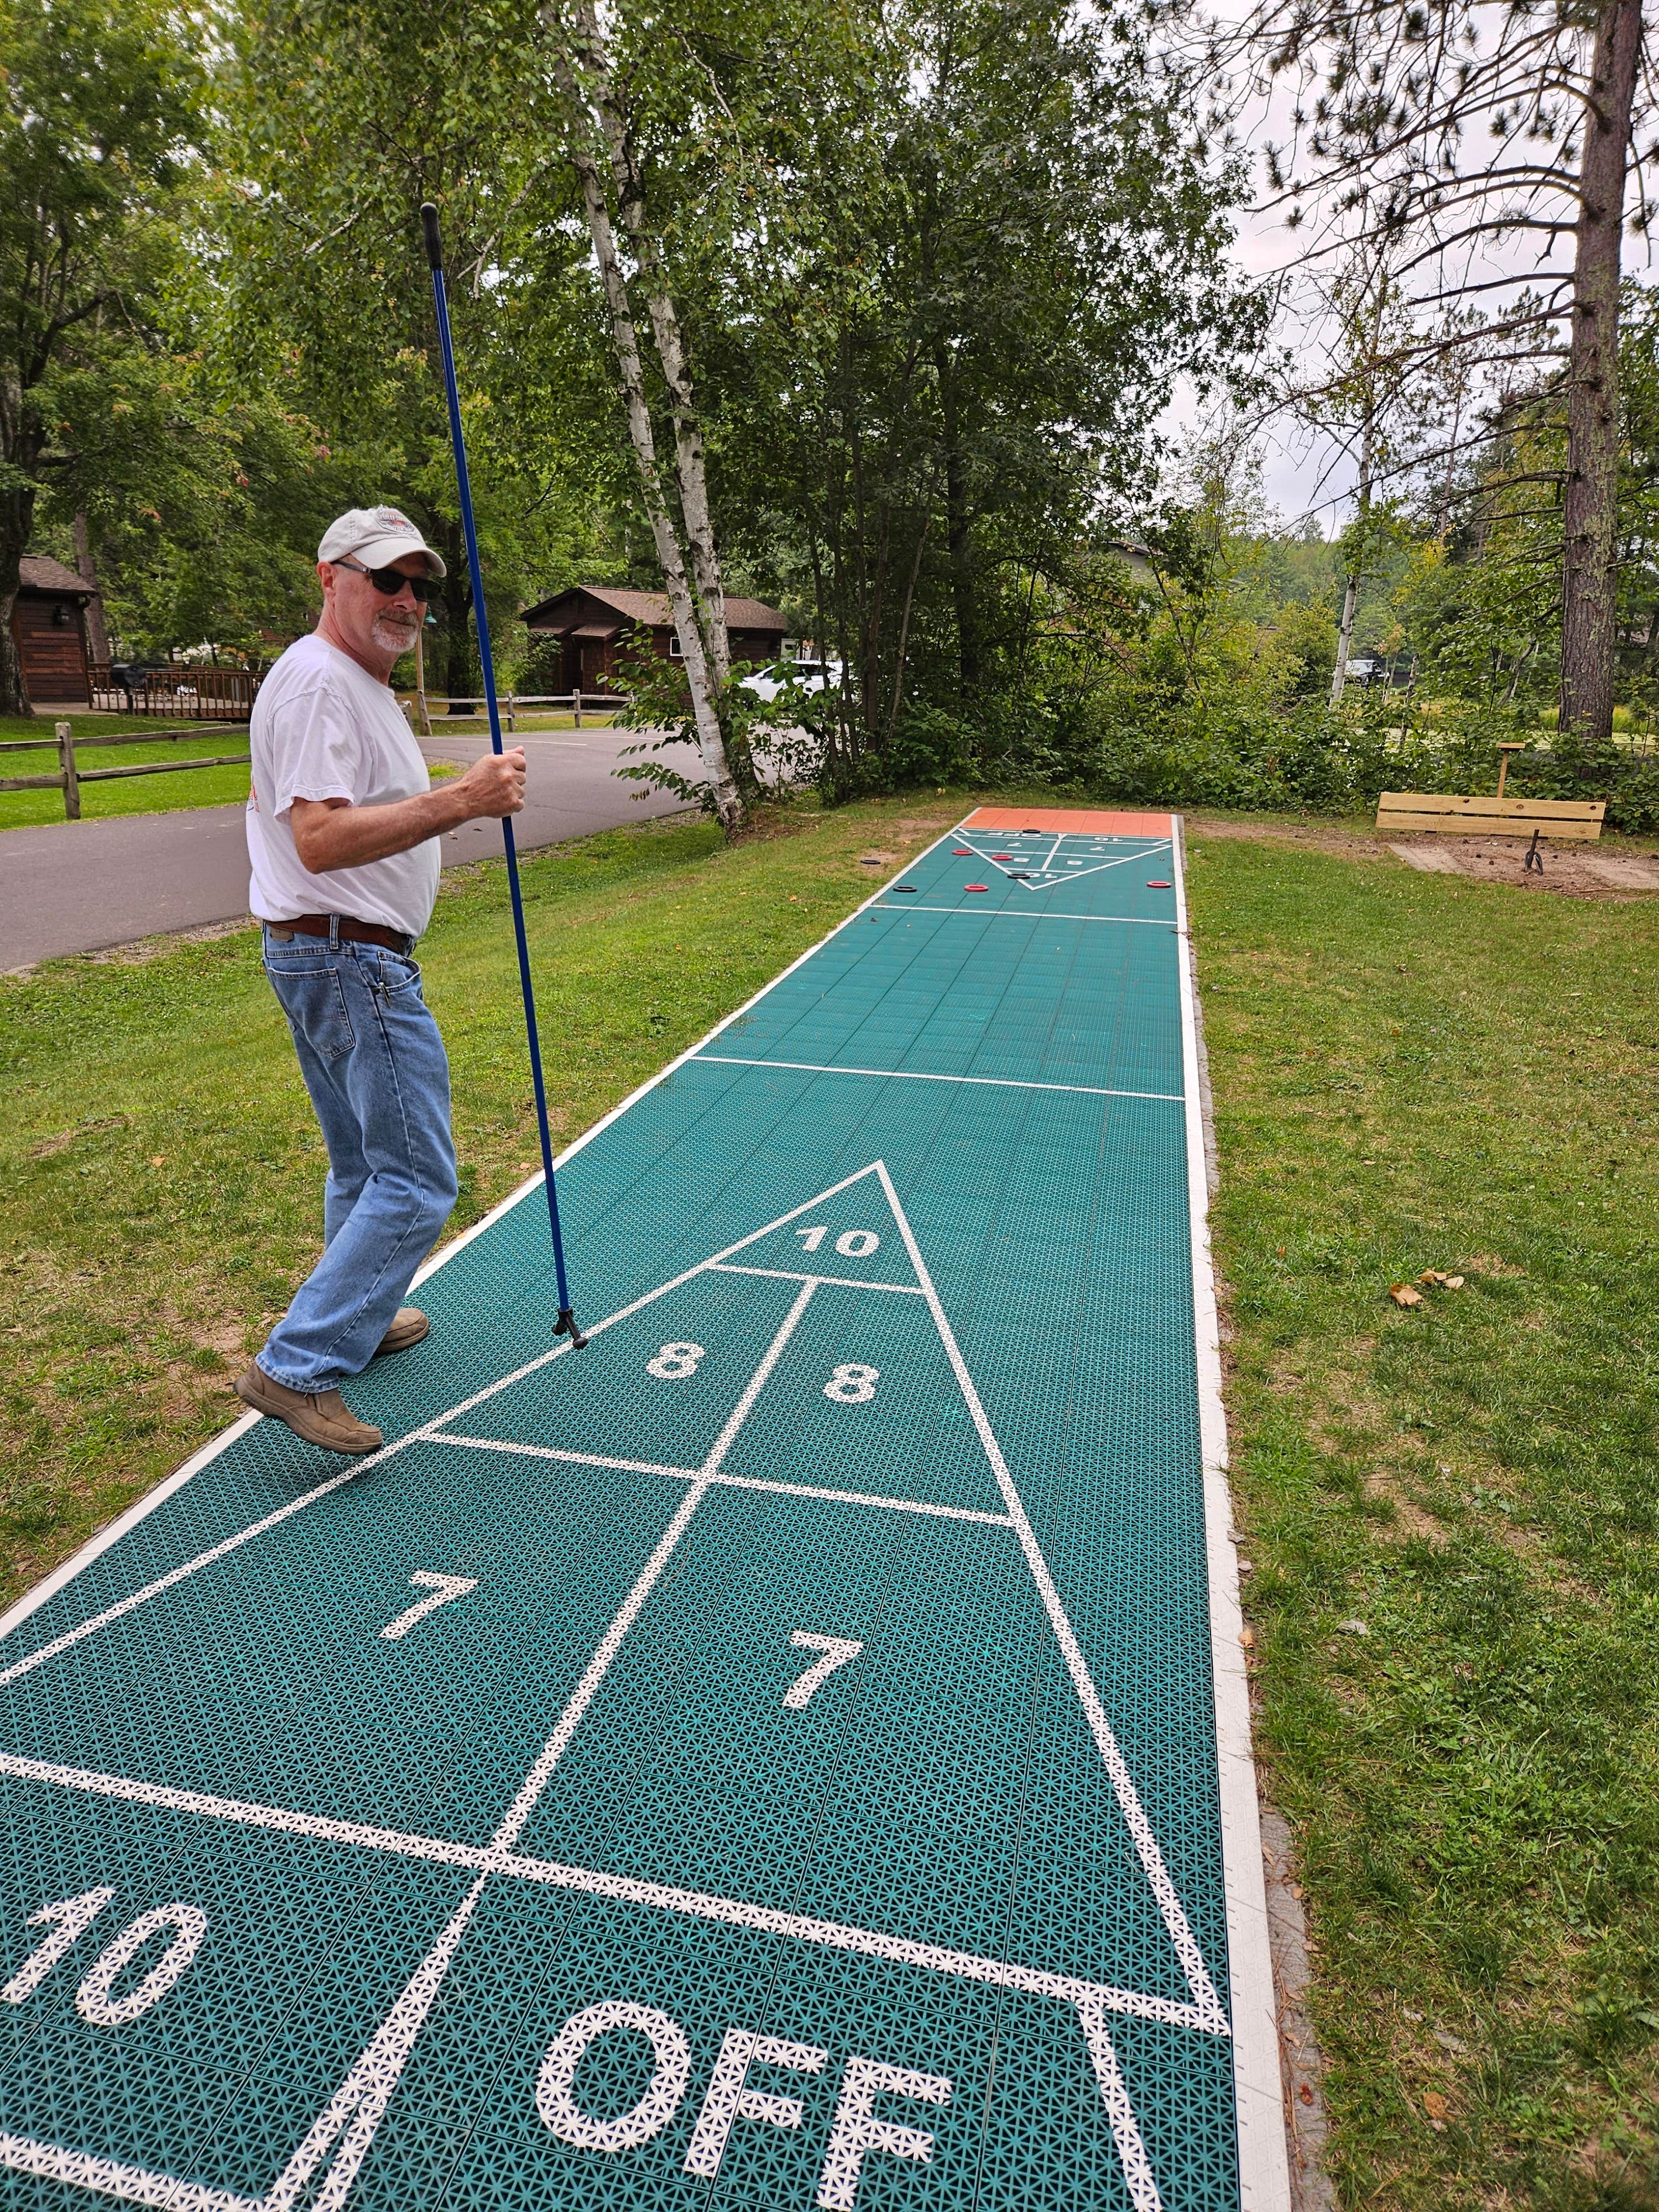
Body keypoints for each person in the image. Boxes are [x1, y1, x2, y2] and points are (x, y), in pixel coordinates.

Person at [234, 506, 526, 1454]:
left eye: (419, 585)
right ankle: (300, 1365)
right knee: (415, 1177)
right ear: (331, 577)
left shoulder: (351, 681)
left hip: (327, 951)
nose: (406, 599)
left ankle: (359, 1314)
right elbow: (318, 838)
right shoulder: (320, 682)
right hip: (348, 954)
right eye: (385, 579)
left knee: (363, 1161)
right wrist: (466, 800)